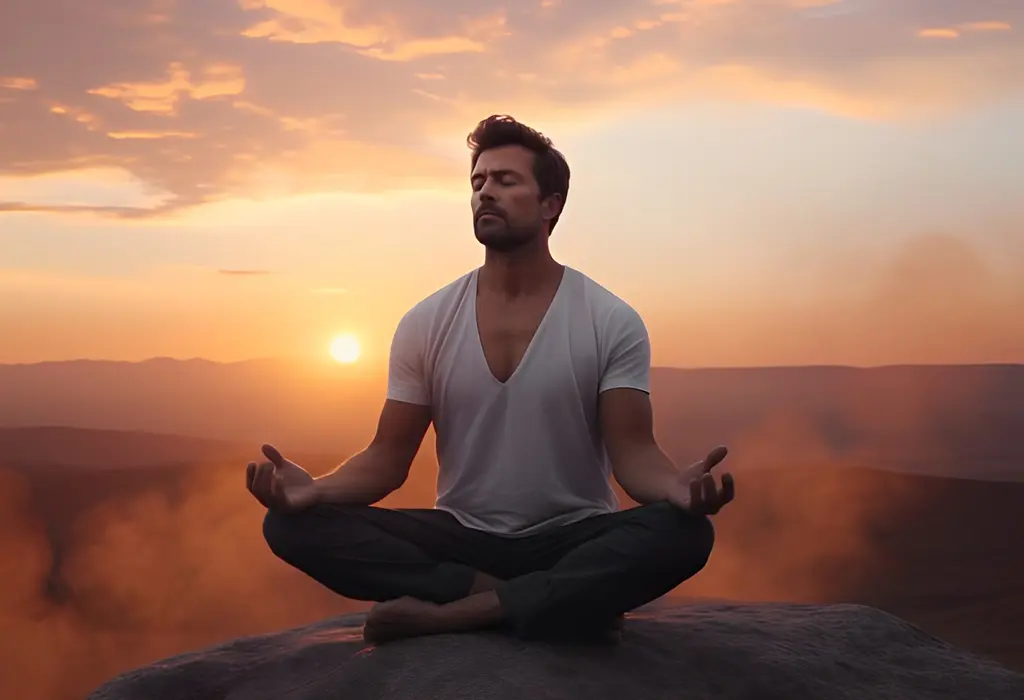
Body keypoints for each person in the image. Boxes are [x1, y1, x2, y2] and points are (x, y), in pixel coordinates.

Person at [246, 115, 736, 644]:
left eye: (506, 181)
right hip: (464, 536)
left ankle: (455, 612)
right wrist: (314, 492)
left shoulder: (609, 319)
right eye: (478, 182)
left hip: (572, 535)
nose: (485, 193)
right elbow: (386, 461)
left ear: (550, 205)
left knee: (684, 534)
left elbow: (635, 455)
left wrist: (676, 490)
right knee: (289, 526)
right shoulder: (426, 321)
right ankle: (538, 598)